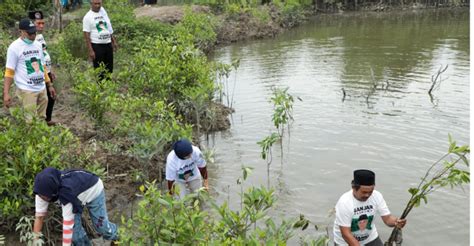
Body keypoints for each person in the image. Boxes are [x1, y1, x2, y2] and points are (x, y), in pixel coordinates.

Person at [33, 167, 118, 246]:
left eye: (45, 197)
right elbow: (39, 217)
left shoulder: (66, 195)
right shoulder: (41, 191)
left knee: (101, 227)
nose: (43, 199)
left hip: (93, 190)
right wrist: (34, 242)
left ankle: (120, 238)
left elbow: (67, 225)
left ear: (53, 192)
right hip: (76, 198)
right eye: (41, 196)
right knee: (75, 236)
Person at [333, 169, 407, 246]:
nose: (367, 195)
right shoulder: (345, 202)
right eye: (364, 192)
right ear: (354, 188)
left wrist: (396, 222)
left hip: (370, 238)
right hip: (345, 242)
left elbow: (388, 219)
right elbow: (346, 234)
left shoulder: (376, 196)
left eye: (370, 192)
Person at [3, 18, 56, 122]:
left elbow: (42, 66)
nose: (33, 35)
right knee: (30, 121)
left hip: (41, 88)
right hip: (26, 90)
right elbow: (9, 72)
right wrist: (6, 93)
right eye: (30, 33)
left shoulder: (38, 44)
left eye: (34, 32)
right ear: (21, 32)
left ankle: (40, 138)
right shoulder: (14, 47)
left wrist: (49, 85)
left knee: (42, 118)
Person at [29, 10, 57, 126]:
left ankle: (47, 119)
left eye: (42, 23)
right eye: (38, 23)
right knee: (42, 97)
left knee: (51, 97)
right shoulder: (31, 38)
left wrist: (51, 70)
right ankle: (39, 121)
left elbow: (44, 53)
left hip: (47, 70)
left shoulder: (40, 36)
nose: (41, 26)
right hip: (39, 72)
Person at [82, 0, 117, 81]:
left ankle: (109, 86)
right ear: (91, 4)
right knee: (99, 70)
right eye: (95, 4)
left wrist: (113, 41)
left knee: (109, 68)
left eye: (99, 3)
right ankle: (101, 88)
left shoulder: (103, 13)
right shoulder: (88, 17)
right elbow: (86, 35)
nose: (98, 5)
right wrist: (90, 50)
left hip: (107, 44)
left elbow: (108, 27)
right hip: (97, 46)